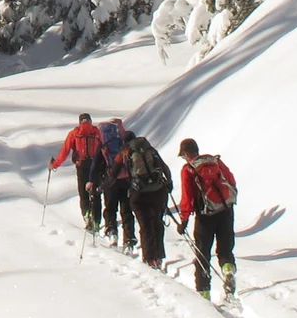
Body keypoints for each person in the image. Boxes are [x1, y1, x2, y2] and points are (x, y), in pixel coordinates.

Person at [175, 136, 238, 299]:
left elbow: (187, 197)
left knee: (203, 254)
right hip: (225, 210)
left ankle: (204, 293)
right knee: (225, 249)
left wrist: (184, 219)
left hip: (205, 216)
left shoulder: (188, 169)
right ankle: (228, 270)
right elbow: (231, 180)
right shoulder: (215, 161)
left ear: (185, 153)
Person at [50, 113, 105, 232]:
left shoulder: (74, 133)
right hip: (95, 165)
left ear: (80, 121)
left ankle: (86, 215)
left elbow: (64, 152)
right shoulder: (97, 132)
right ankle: (96, 220)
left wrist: (55, 164)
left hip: (81, 165)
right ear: (90, 120)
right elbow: (104, 148)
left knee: (83, 192)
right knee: (95, 192)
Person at [124, 130, 171, 268]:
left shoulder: (127, 154)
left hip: (139, 195)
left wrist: (100, 187)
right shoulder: (150, 150)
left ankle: (150, 258)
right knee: (157, 223)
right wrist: (168, 184)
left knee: (145, 226)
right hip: (158, 191)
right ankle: (159, 256)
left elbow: (116, 173)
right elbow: (164, 168)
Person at [99, 118, 135, 251]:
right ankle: (129, 238)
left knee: (110, 208)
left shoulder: (103, 144)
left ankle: (112, 231)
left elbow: (97, 163)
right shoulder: (123, 140)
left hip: (110, 180)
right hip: (126, 180)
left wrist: (94, 181)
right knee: (126, 210)